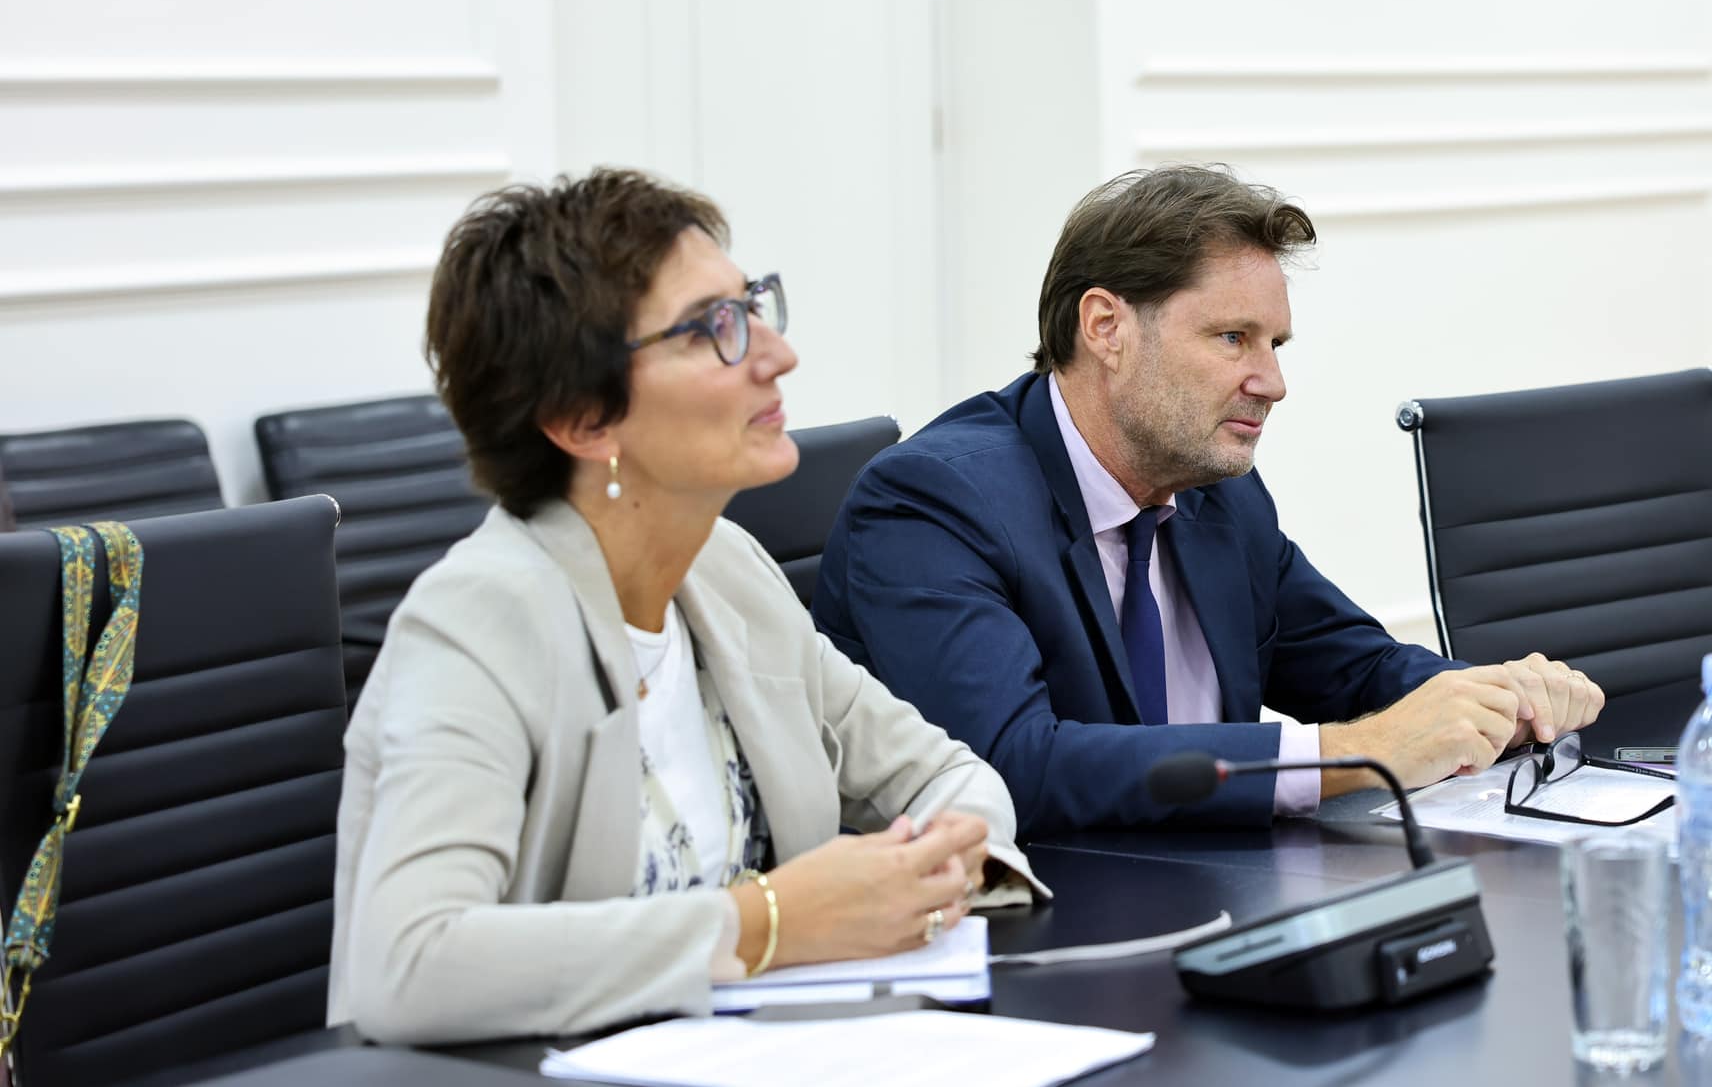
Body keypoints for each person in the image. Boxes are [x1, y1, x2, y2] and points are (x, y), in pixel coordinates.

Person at [331, 169, 1040, 1045]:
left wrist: (935, 866)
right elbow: (409, 966)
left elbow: (944, 775)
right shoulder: (478, 620)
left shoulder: (726, 570)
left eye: (753, 307)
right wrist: (768, 921)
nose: (777, 355)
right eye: (715, 328)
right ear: (582, 419)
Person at [812, 164, 1606, 838]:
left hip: (1206, 894)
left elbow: (1356, 666)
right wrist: (1353, 755)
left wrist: (1496, 700)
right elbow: (1011, 766)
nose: (1273, 382)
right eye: (1233, 338)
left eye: (1275, 344)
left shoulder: (1216, 491)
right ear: (1106, 327)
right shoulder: (934, 502)